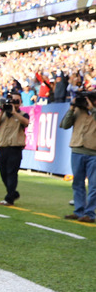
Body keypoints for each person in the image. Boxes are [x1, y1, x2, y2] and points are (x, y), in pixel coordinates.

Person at [60, 94, 96, 223]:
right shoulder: (77, 110)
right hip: (77, 150)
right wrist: (71, 108)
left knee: (93, 185)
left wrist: (92, 109)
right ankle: (79, 211)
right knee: (78, 183)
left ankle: (90, 214)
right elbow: (64, 125)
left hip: (94, 153)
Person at [0, 92, 29, 206]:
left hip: (15, 148)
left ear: (21, 102)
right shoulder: (3, 113)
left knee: (11, 173)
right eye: (13, 100)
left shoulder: (23, 114)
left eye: (17, 101)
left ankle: (9, 199)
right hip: (3, 147)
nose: (15, 103)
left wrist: (14, 112)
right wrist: (2, 110)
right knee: (3, 172)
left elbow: (26, 123)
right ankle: (13, 193)